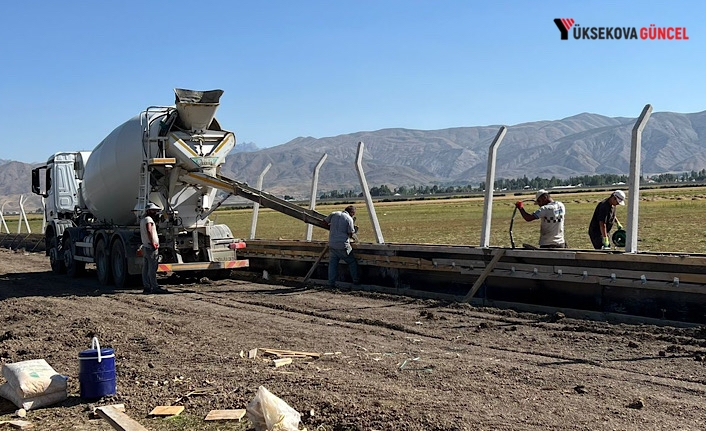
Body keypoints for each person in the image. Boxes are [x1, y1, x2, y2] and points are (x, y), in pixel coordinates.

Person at [324, 205, 360, 287]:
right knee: (351, 262)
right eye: (353, 214)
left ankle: (331, 283)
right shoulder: (349, 218)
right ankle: (356, 281)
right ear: (352, 213)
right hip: (343, 245)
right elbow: (350, 232)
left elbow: (324, 222)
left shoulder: (334, 214)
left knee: (333, 264)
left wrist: (332, 229)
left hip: (332, 244)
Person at [140, 202, 168, 294]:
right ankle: (154, 287)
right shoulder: (149, 220)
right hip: (150, 246)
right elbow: (149, 230)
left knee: (146, 268)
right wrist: (153, 243)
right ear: (148, 211)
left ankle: (147, 286)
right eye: (153, 210)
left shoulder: (143, 219)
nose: (155, 212)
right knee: (152, 268)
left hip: (145, 246)